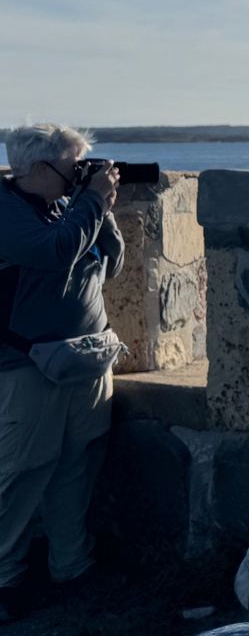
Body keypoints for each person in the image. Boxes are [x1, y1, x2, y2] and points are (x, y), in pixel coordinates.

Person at [0, 124, 124, 623]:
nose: (80, 176)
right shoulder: (8, 211)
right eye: (73, 168)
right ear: (35, 170)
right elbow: (53, 255)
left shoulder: (64, 208)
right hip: (26, 366)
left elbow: (109, 264)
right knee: (22, 471)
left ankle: (71, 564)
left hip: (84, 358)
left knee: (78, 462)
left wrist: (103, 211)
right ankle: (4, 578)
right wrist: (92, 202)